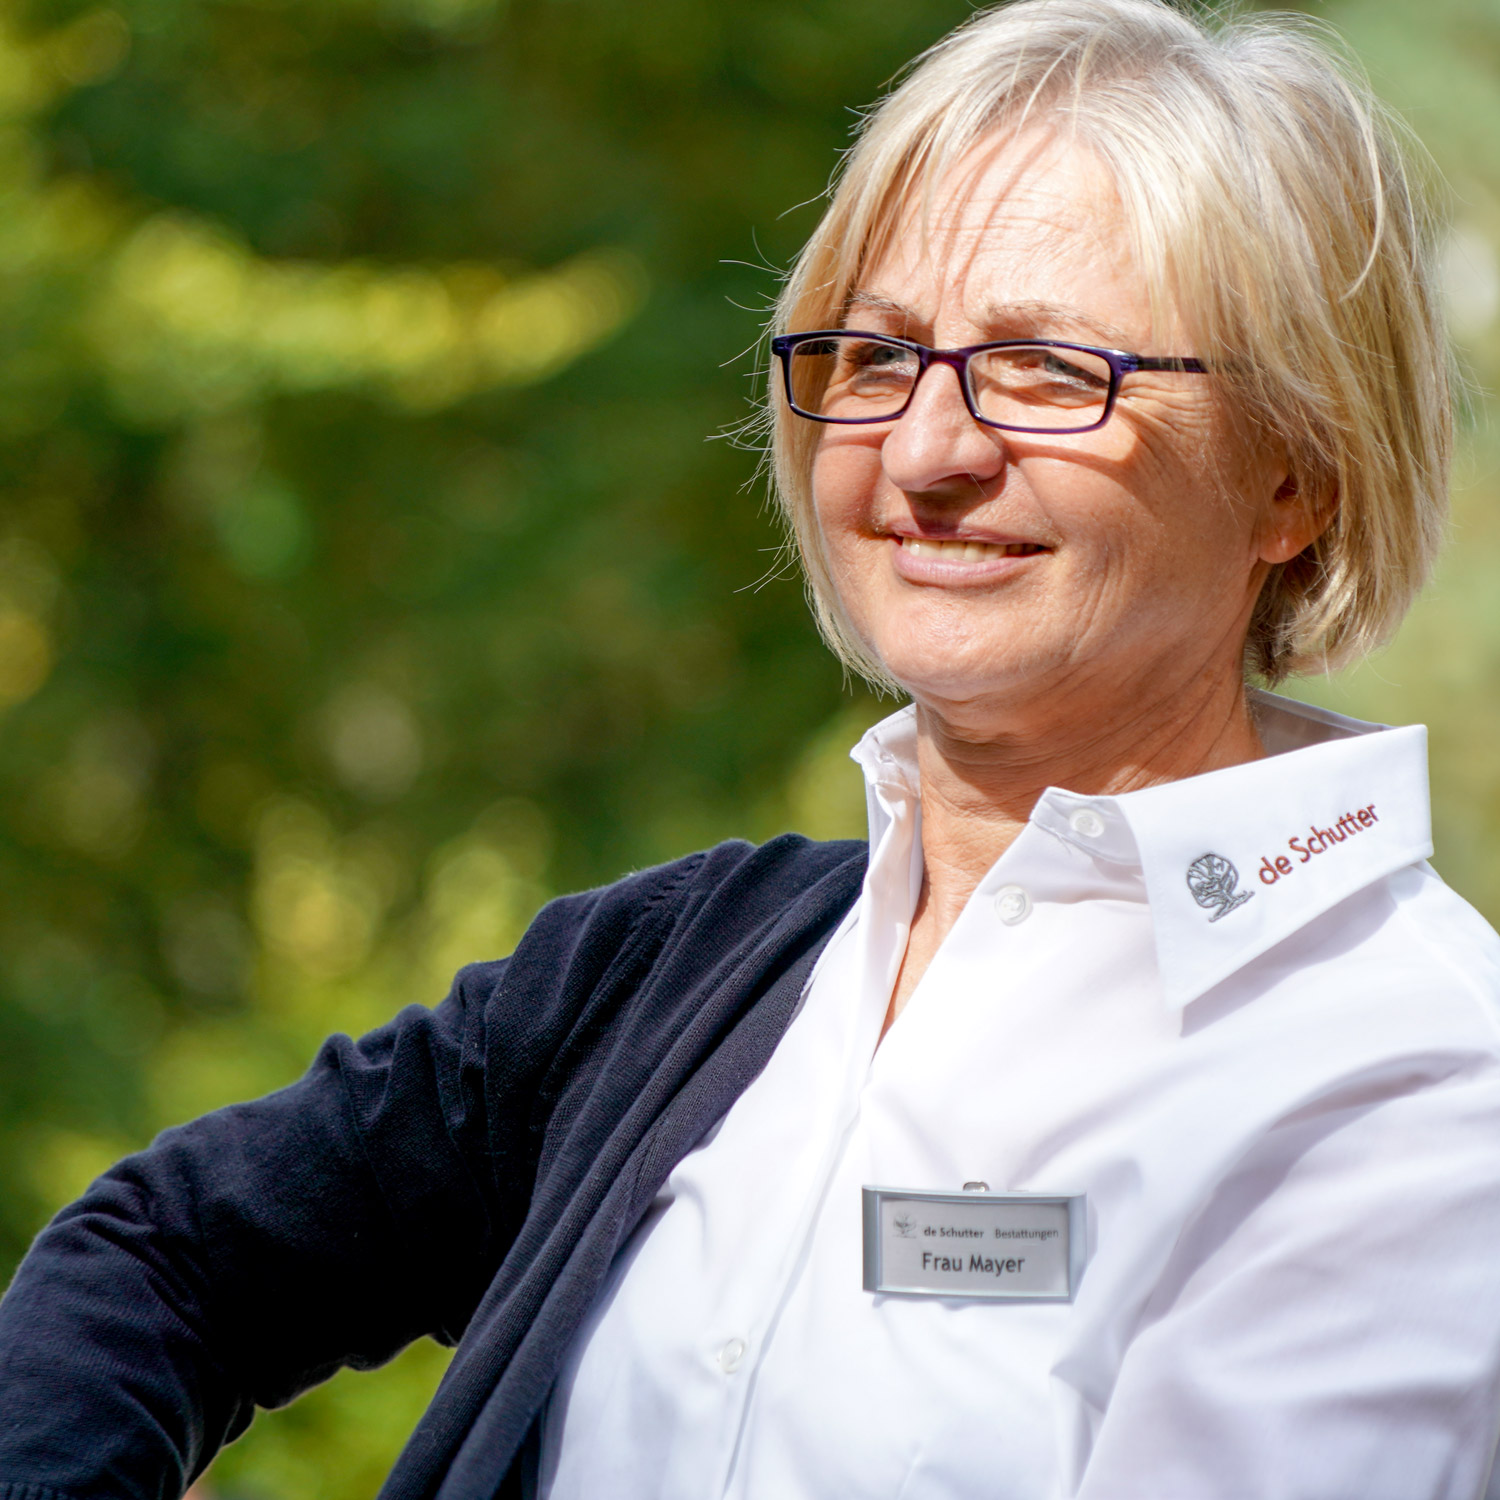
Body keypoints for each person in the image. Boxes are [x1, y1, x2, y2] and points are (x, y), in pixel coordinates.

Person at [3, 0, 1498, 1496]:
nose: (929, 452)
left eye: (1049, 369)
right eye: (878, 355)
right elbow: (160, 1260)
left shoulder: (1402, 1079)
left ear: (1296, 476)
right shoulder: (677, 968)